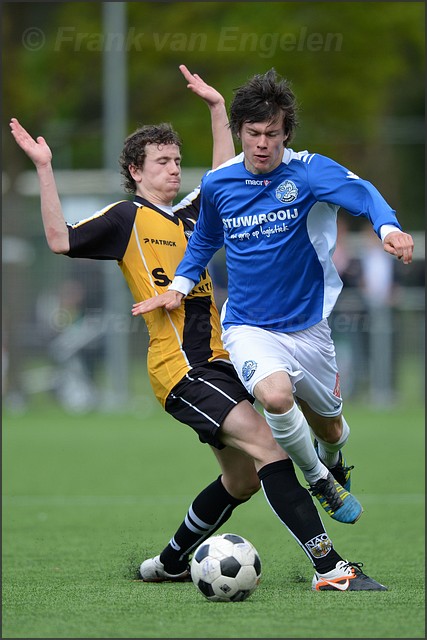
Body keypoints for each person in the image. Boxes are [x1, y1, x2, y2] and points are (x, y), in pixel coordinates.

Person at [10, 65, 387, 592]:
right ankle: (332, 567)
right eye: (161, 162)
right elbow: (58, 240)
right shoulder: (127, 218)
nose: (172, 169)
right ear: (135, 172)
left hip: (221, 361)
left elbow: (221, 176)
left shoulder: (192, 216)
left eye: (176, 161)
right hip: (181, 368)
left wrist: (216, 111)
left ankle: (168, 563)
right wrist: (45, 168)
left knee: (242, 479)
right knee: (271, 450)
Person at [133, 68, 414, 530]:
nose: (263, 143)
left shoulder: (308, 171)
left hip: (308, 327)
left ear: (286, 135)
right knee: (276, 398)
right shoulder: (221, 182)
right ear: (240, 131)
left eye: (273, 134)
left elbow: (362, 193)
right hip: (248, 326)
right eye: (253, 133)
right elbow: (203, 241)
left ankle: (333, 460)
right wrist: (179, 286)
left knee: (332, 428)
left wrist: (388, 228)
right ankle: (320, 479)